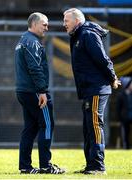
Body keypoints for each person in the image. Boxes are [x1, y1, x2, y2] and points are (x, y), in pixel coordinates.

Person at [63, 8, 121, 175]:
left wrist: (112, 77)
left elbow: (103, 59)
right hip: (89, 89)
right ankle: (90, 165)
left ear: (76, 20)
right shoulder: (78, 36)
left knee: (95, 125)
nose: (64, 24)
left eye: (66, 20)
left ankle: (98, 166)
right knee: (88, 127)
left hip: (97, 88)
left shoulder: (87, 34)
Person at [15, 12, 65, 174]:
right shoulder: (32, 42)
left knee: (30, 128)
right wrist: (42, 91)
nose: (47, 27)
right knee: (47, 124)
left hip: (23, 91)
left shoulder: (22, 40)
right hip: (35, 92)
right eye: (44, 24)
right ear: (34, 24)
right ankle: (46, 165)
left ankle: (25, 166)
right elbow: (35, 68)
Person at [117, 77, 132, 149]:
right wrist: (120, 118)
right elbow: (118, 108)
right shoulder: (121, 95)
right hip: (125, 117)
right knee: (125, 133)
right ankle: (126, 147)